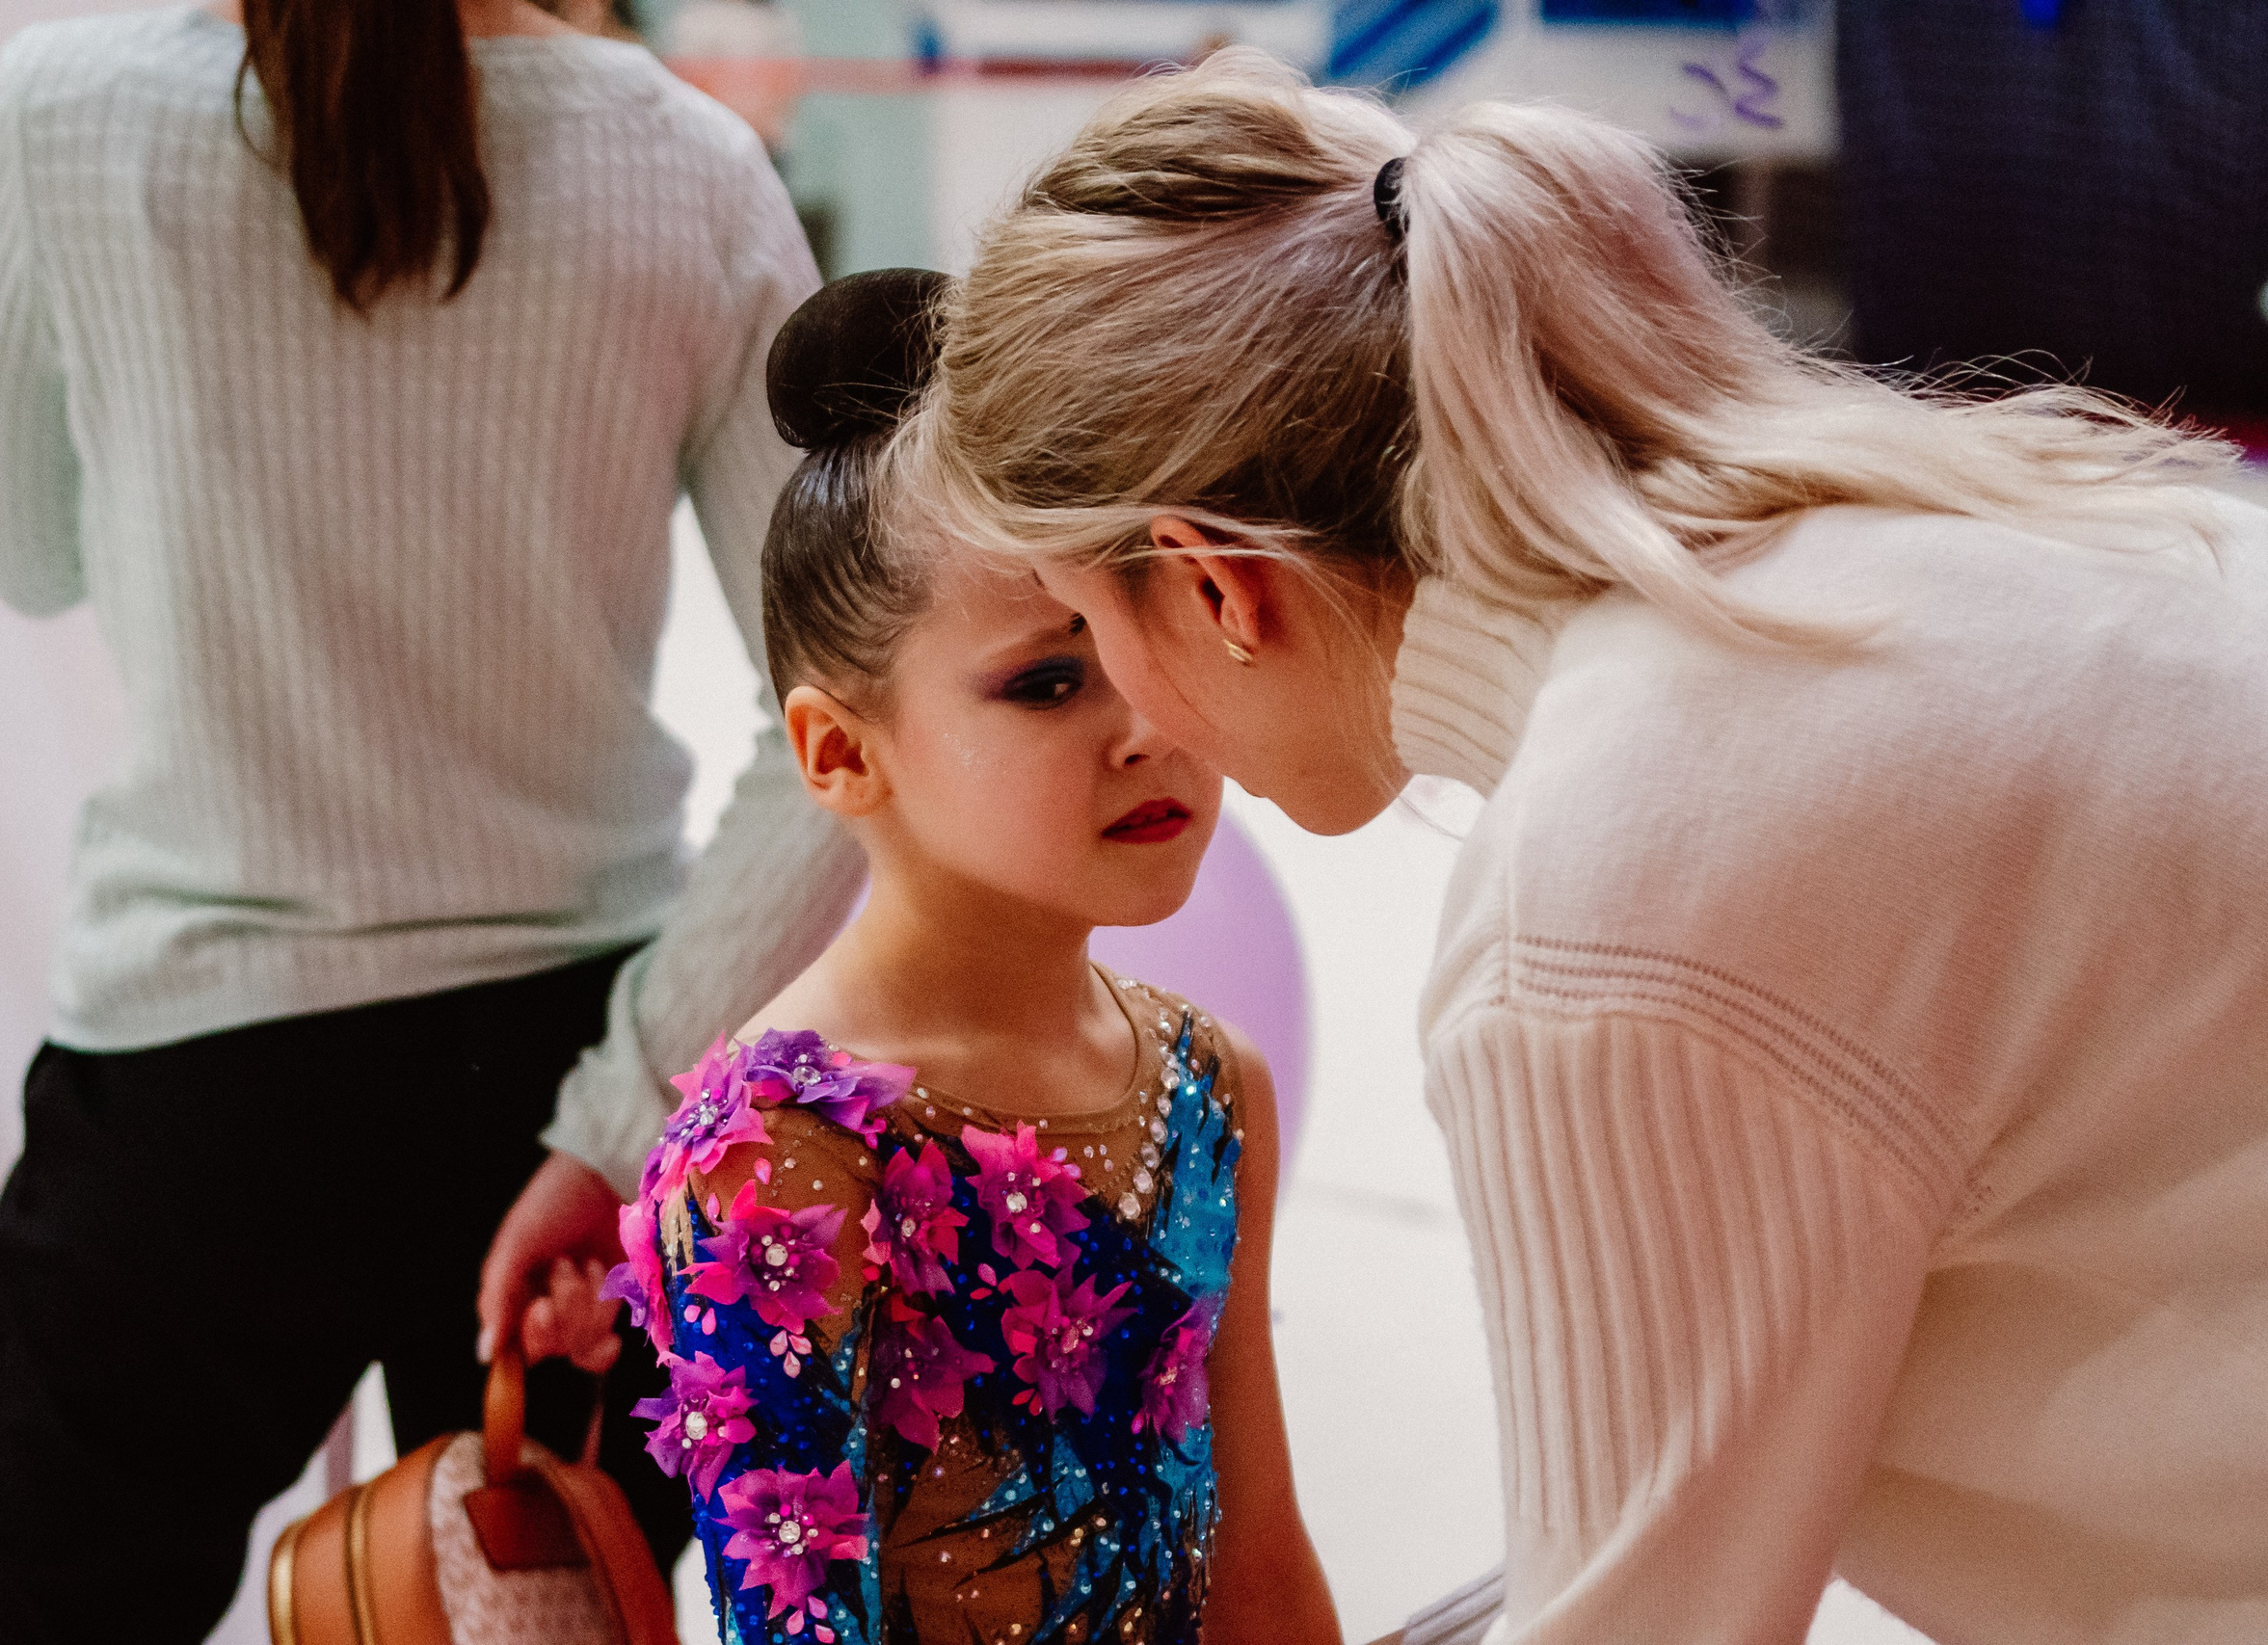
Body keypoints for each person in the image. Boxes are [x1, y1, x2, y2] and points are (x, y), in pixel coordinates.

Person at [892, 49, 2268, 1645]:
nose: (1133, 722)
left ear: (1214, 586)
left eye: (1084, 634)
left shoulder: (1617, 893)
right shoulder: (1941, 534)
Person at [0, 1, 860, 1638]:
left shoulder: (63, 111)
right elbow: (856, 731)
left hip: (185, 1098)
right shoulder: (691, 167)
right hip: (564, 1112)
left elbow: (28, 552)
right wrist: (622, 1119)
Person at [602, 270, 1340, 1644]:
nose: (1147, 729)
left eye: (1152, 640)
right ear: (839, 752)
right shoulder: (775, 1154)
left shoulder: (1207, 1083)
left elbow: (1264, 1575)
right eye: (1051, 680)